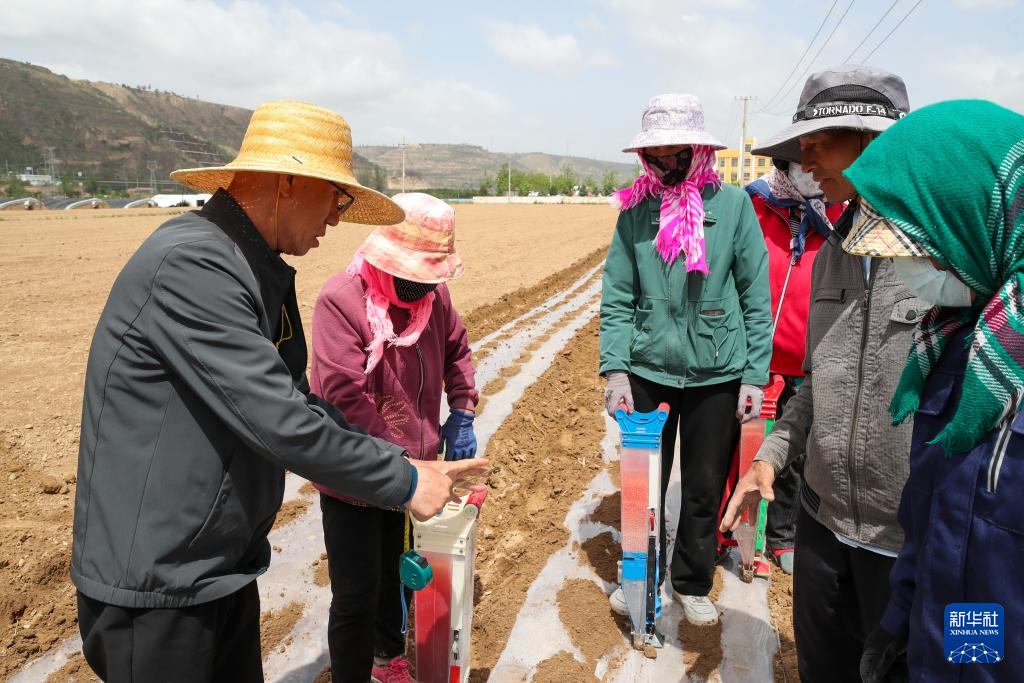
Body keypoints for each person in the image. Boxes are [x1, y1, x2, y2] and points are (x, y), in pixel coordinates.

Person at [71, 101, 488, 682]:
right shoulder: (194, 265)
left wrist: (401, 461)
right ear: (287, 183)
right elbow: (278, 419)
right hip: (160, 582)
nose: (337, 218)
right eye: (335, 198)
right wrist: (407, 480)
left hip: (216, 564)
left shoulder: (249, 266)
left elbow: (298, 400)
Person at [721, 65, 917, 681]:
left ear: (873, 142)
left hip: (906, 542)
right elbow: (814, 383)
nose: (804, 162)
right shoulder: (836, 249)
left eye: (819, 143)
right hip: (822, 524)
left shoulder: (947, 260)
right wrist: (771, 457)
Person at [840, 99, 1024, 681]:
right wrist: (900, 618)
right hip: (957, 645)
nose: (910, 269)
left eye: (921, 249)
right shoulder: (959, 341)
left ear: (977, 222)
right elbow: (940, 514)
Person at [601, 93, 771, 627]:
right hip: (648, 367)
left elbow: (755, 296)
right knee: (643, 484)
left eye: (674, 156)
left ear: (697, 151)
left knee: (702, 485)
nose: (664, 167)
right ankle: (641, 574)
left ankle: (691, 581)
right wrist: (616, 369)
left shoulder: (734, 206)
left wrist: (754, 376)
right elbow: (617, 294)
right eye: (654, 158)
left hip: (717, 371)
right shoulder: (636, 212)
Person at [310, 192, 479, 683]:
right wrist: (402, 461)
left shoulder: (435, 298)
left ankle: (388, 658)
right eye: (411, 274)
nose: (419, 285)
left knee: (398, 573)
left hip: (412, 474)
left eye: (428, 276)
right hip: (354, 474)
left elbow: (457, 350)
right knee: (356, 590)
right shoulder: (341, 300)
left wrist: (462, 410)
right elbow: (344, 395)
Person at [743, 159, 845, 574]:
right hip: (754, 356)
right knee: (743, 444)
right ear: (785, 164)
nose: (809, 171)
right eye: (800, 163)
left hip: (808, 355)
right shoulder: (757, 204)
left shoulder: (839, 210)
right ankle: (732, 533)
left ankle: (783, 535)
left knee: (795, 450)